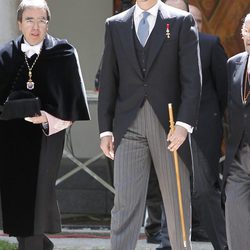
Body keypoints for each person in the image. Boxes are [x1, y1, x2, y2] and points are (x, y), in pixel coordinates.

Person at [98, 0, 202, 249]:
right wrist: (105, 129)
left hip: (169, 126)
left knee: (176, 203)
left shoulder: (180, 21)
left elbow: (192, 80)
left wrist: (183, 124)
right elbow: (108, 80)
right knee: (124, 204)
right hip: (128, 125)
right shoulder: (115, 24)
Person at [0, 0, 90, 249]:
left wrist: (47, 118)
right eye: (29, 20)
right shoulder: (5, 54)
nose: (36, 26)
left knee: (37, 202)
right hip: (10, 140)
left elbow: (72, 105)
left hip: (46, 137)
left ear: (48, 23)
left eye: (42, 20)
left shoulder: (64, 53)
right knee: (17, 202)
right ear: (19, 23)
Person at [155, 2, 229, 250]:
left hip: (202, 129)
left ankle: (224, 244)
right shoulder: (157, 45)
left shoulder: (209, 44)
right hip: (167, 126)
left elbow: (224, 90)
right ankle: (170, 244)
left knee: (204, 190)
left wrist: (209, 119)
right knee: (171, 187)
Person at [223, 13, 250, 250]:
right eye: (248, 30)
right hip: (238, 157)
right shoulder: (233, 64)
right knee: (236, 219)